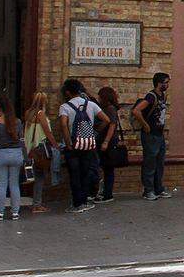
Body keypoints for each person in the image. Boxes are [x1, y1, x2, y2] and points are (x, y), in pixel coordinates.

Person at [57, 79, 107, 213]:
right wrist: (94, 133)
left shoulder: (65, 107)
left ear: (67, 92)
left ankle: (77, 203)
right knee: (85, 173)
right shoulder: (90, 104)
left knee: (74, 174)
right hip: (88, 145)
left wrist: (68, 143)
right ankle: (84, 201)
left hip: (73, 146)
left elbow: (63, 125)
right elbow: (106, 120)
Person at [132, 72, 171, 200]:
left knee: (159, 162)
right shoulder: (151, 96)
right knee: (150, 162)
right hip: (150, 135)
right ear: (159, 83)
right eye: (166, 82)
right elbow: (136, 110)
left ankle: (158, 188)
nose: (167, 85)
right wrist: (145, 125)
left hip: (159, 134)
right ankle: (148, 190)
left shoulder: (162, 96)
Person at [21, 92, 57, 213]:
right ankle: (37, 204)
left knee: (34, 175)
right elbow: (48, 132)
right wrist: (55, 145)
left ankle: (36, 202)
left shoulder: (28, 113)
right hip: (40, 148)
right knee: (40, 177)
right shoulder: (40, 114)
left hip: (30, 149)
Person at [95, 86, 126, 203]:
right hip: (108, 141)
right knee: (107, 168)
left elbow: (112, 125)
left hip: (109, 141)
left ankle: (107, 194)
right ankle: (106, 192)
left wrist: (105, 142)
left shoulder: (109, 109)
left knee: (108, 168)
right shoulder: (109, 108)